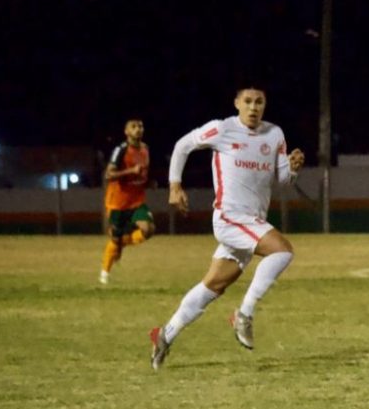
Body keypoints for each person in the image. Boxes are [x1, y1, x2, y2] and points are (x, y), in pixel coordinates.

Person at [149, 86, 304, 369]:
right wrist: (174, 186)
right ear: (237, 103)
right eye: (248, 101)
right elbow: (183, 145)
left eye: (259, 102)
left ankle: (165, 335)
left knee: (214, 285)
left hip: (252, 222)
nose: (253, 107)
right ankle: (244, 314)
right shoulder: (222, 129)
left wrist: (292, 169)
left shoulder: (275, 134)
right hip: (230, 217)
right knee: (282, 251)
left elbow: (282, 180)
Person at [99, 118, 154, 284]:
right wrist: (130, 171)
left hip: (136, 201)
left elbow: (143, 172)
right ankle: (104, 273)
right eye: (134, 126)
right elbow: (108, 175)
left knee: (148, 229)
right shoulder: (121, 150)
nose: (138, 129)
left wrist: (149, 182)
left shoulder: (145, 149)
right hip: (117, 202)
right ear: (126, 131)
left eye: (140, 126)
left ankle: (120, 243)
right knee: (115, 240)